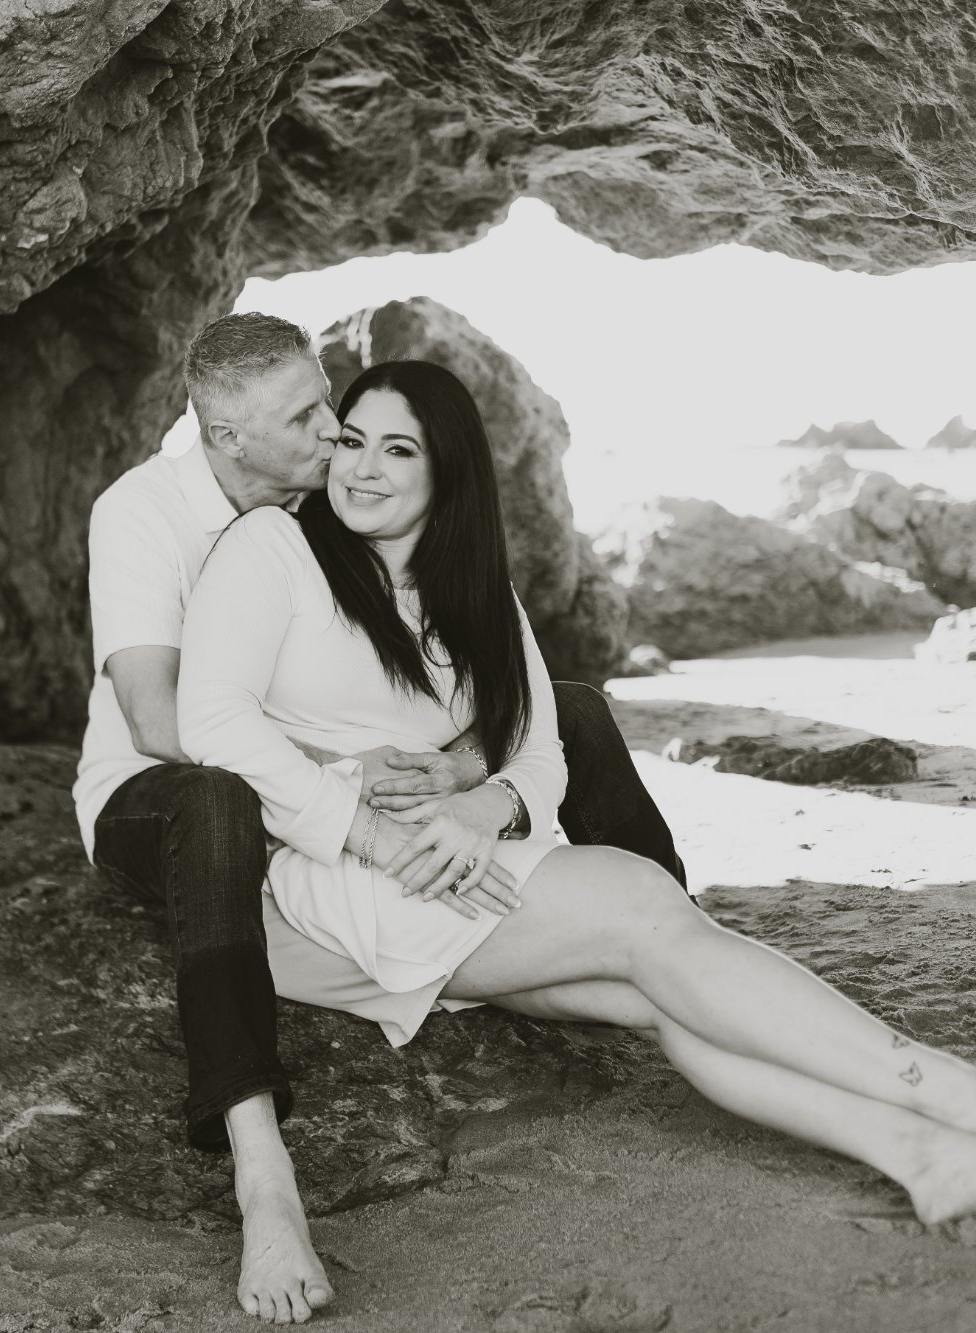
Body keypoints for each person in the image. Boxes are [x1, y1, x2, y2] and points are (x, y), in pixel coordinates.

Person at [175, 360, 976, 1296]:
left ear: (447, 475)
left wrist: (483, 802)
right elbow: (212, 723)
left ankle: (923, 1157)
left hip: (467, 857)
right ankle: (955, 1093)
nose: (360, 466)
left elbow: (541, 744)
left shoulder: (473, 590)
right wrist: (373, 829)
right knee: (647, 908)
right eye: (349, 440)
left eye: (397, 449)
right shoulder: (274, 548)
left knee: (664, 993)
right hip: (347, 870)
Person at [72, 315, 690, 1325]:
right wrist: (338, 776)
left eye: (331, 403)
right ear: (227, 438)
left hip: (326, 777)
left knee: (568, 709)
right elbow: (159, 717)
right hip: (161, 789)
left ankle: (680, 932)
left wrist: (451, 764)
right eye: (307, 417)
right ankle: (260, 1170)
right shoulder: (142, 512)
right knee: (220, 800)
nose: (333, 431)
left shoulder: (326, 494)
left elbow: (417, 652)